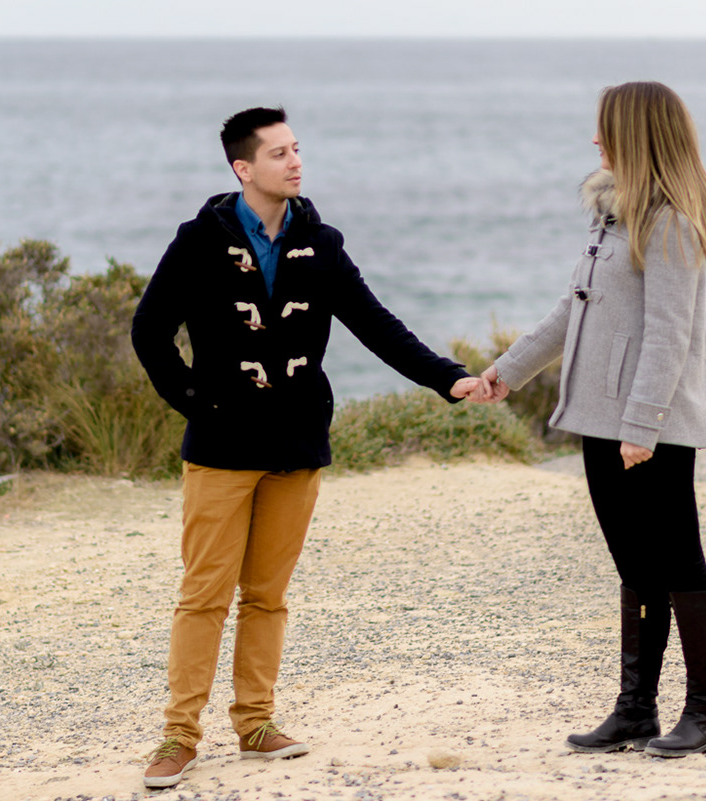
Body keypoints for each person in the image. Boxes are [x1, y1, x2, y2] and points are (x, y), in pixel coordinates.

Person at [131, 106, 486, 789]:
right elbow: (150, 329)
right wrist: (197, 400)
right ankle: (178, 735)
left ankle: (256, 724)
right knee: (204, 594)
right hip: (221, 446)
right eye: (279, 154)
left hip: (297, 443)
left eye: (298, 149)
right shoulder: (201, 240)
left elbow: (374, 321)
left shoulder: (319, 242)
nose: (296, 161)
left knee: (266, 593)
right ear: (243, 168)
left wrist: (448, 377)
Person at [476, 82, 706, 757]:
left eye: (605, 129)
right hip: (601, 416)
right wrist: (507, 370)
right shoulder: (613, 216)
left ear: (637, 135)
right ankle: (635, 710)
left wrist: (642, 426)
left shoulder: (673, 219)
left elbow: (670, 333)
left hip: (651, 426)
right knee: (635, 566)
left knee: (678, 563)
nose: (595, 140)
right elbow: (572, 310)